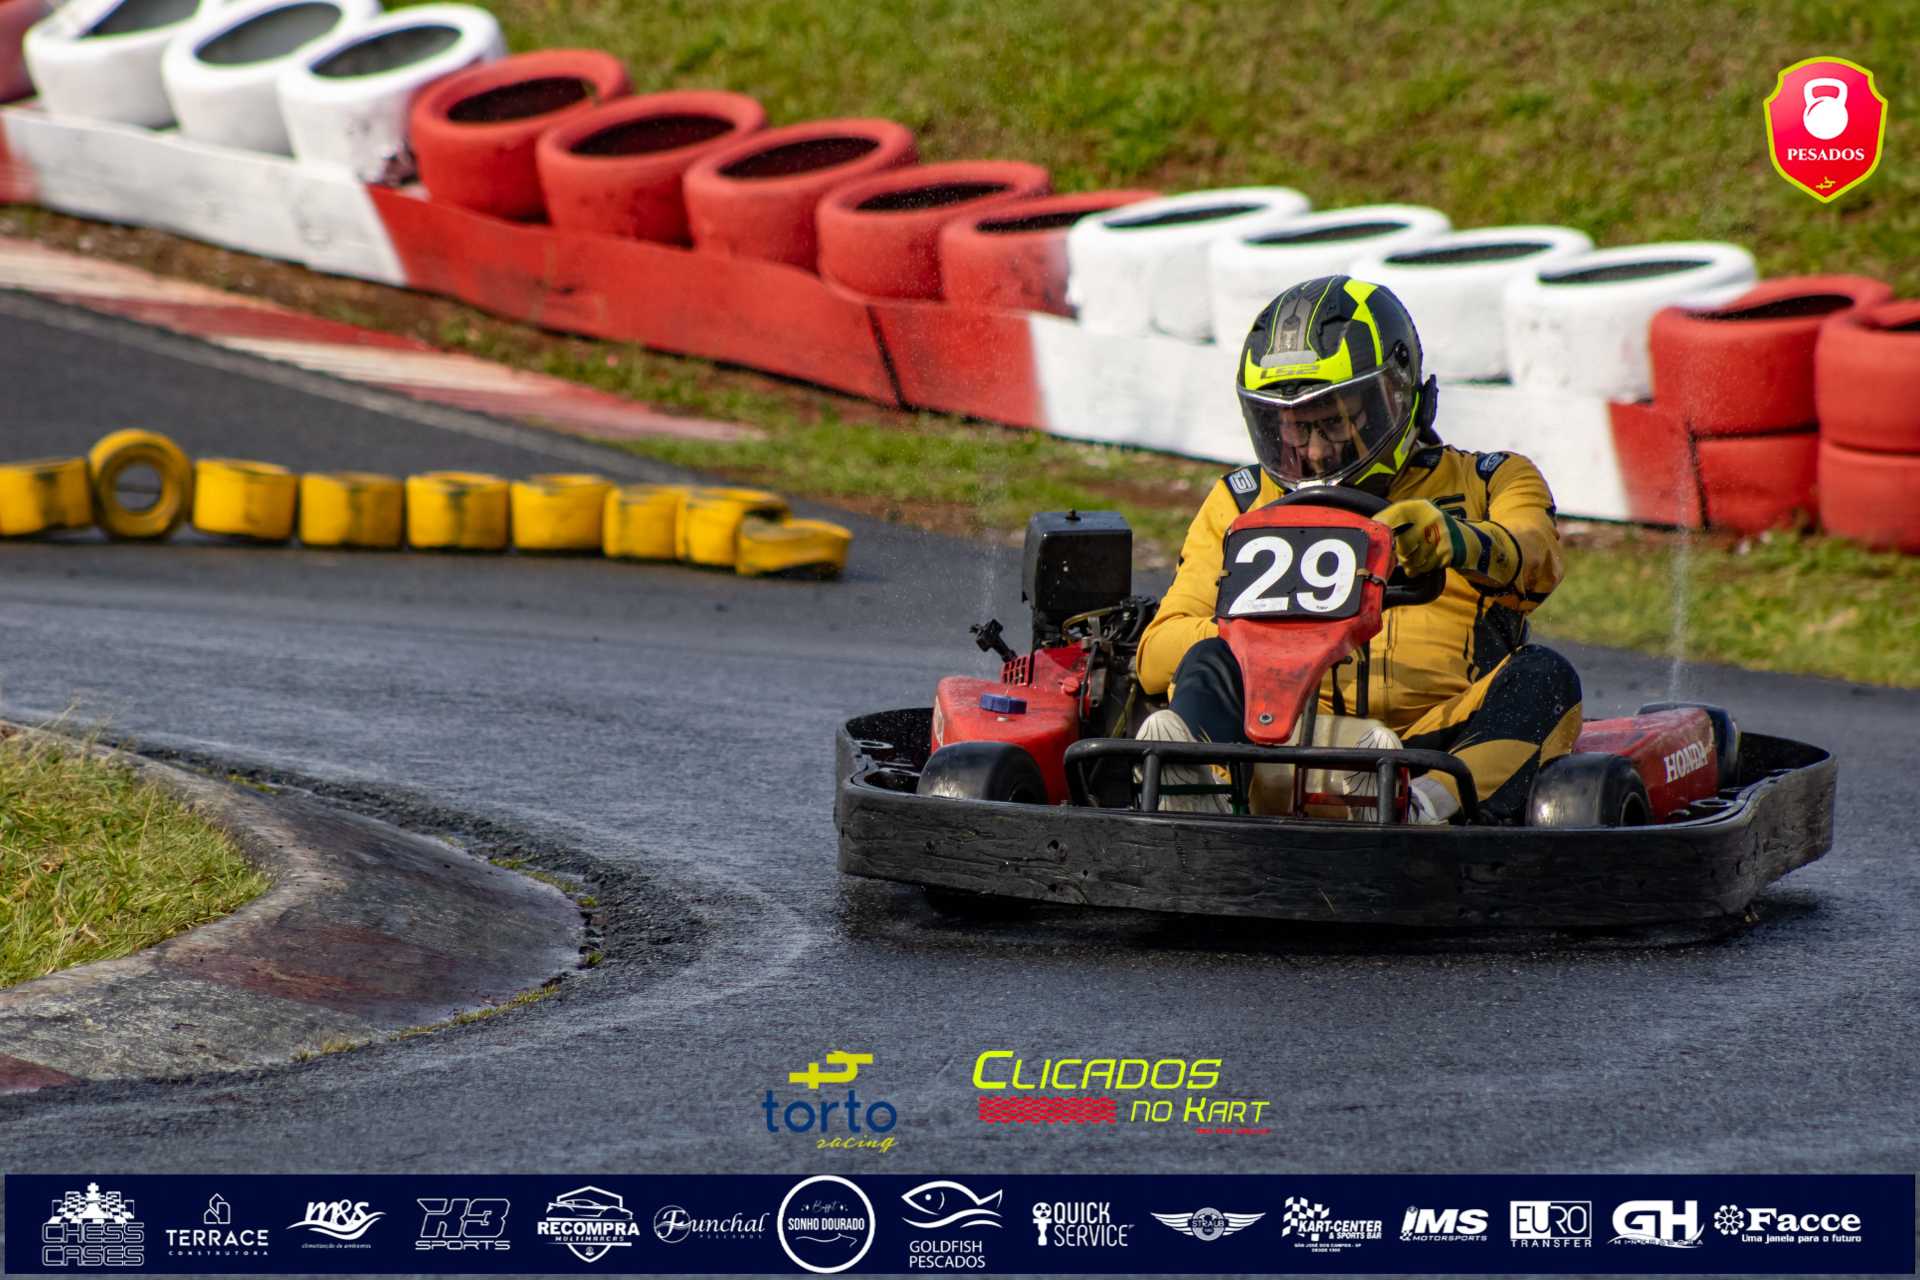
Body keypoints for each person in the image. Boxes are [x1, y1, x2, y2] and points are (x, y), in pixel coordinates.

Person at [1135, 274, 1581, 824]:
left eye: (1334, 422)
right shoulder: (1240, 503)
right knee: (1207, 658)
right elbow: (1155, 654)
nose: (1316, 452)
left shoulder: (1490, 481)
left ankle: (1420, 808)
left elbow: (1537, 559)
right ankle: (1199, 792)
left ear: (1396, 394)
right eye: (1293, 429)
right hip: (1270, 739)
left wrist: (1455, 541)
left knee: (1544, 678)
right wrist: (1259, 629)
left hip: (1432, 742)